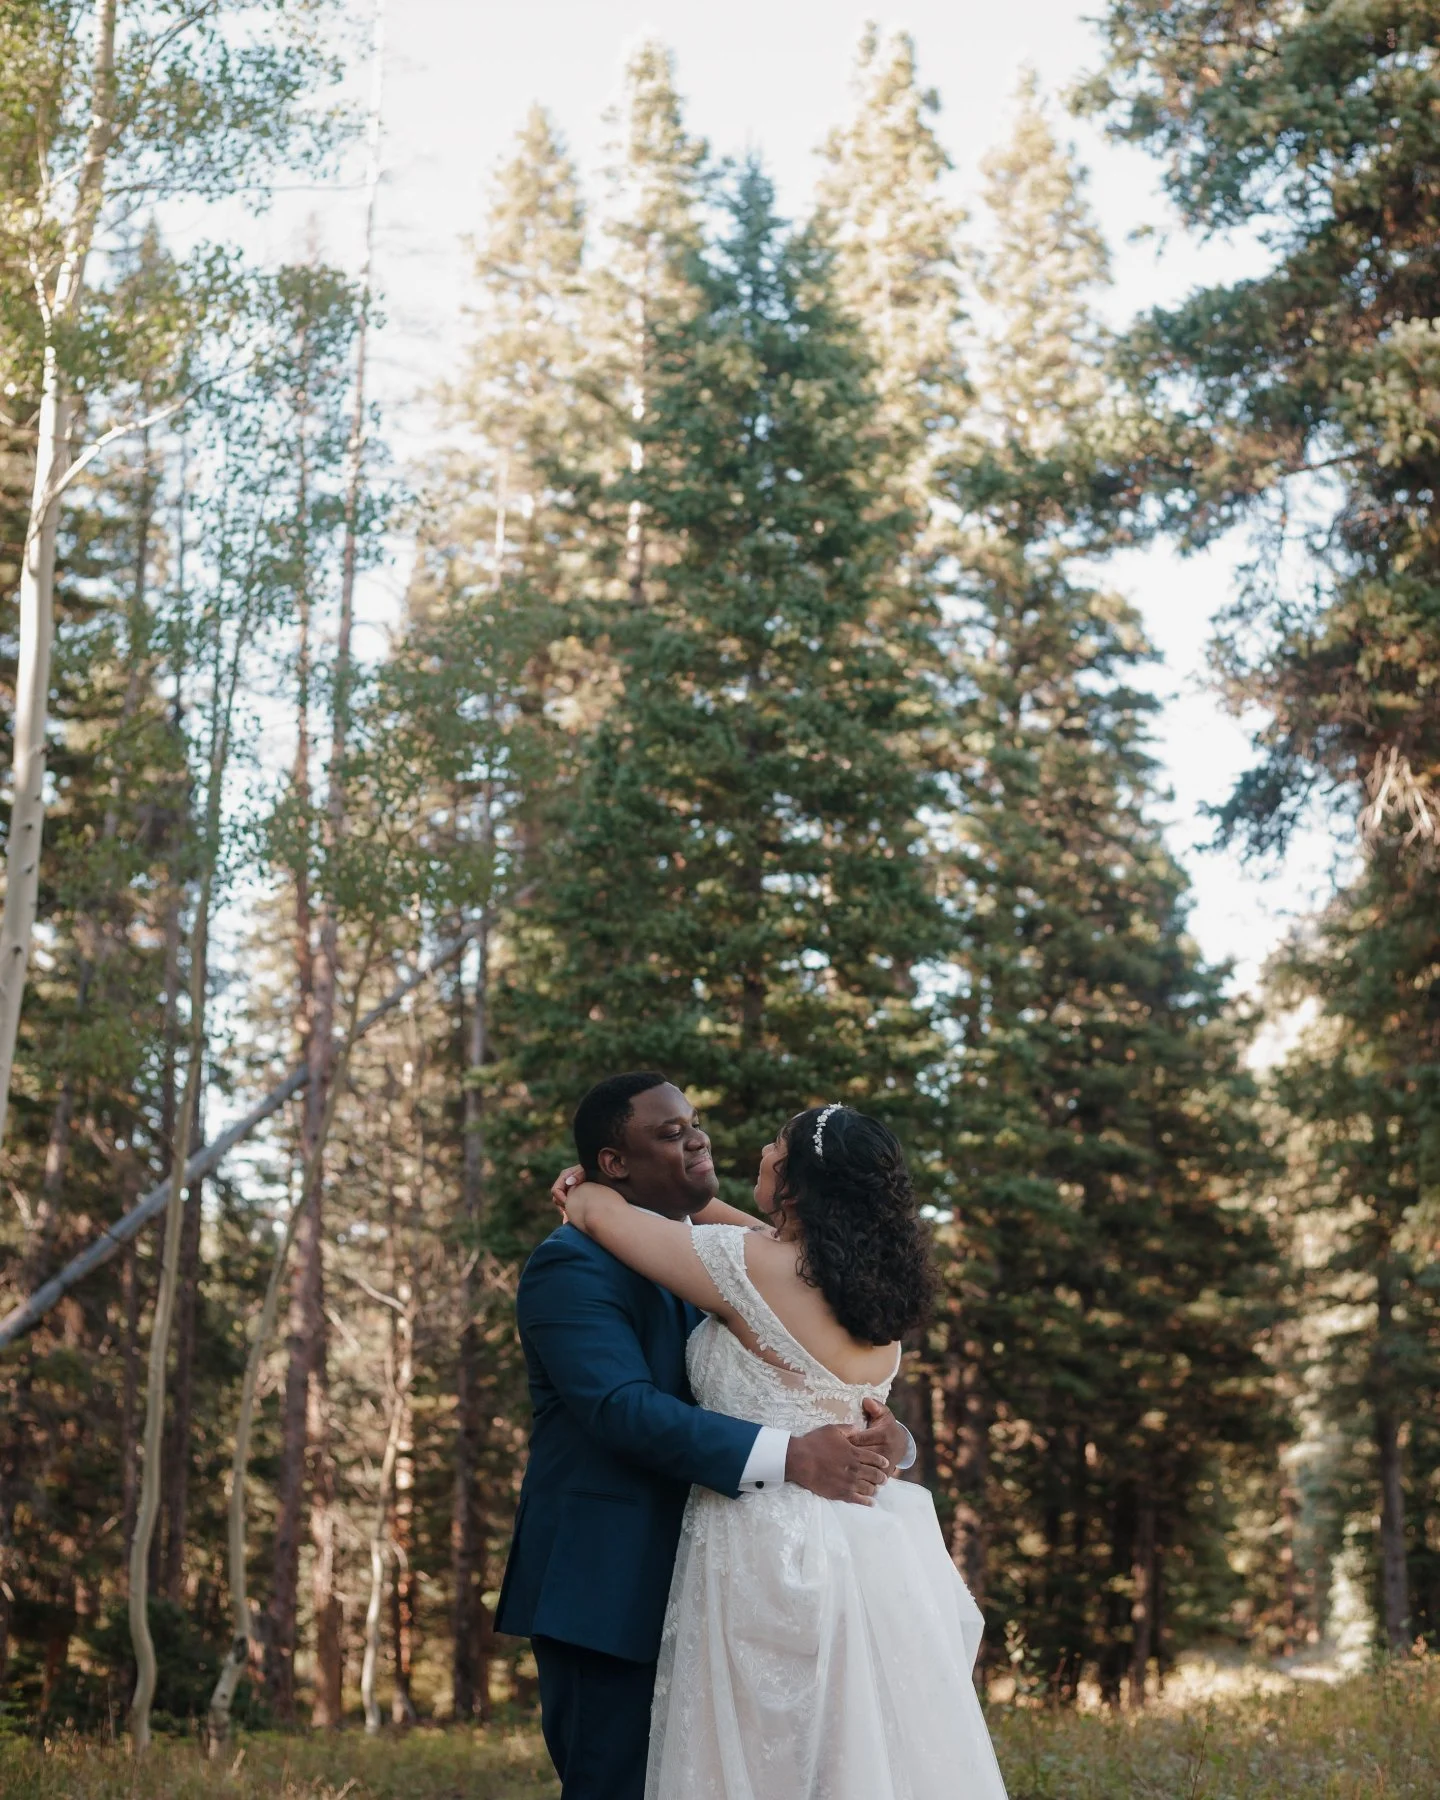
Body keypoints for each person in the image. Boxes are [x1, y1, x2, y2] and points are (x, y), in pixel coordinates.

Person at [557, 1099, 1010, 1800]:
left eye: (776, 1145)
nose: (763, 1152)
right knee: (852, 1756)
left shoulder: (750, 1267)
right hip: (868, 1543)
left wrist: (583, 1188)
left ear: (793, 1184)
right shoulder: (867, 1288)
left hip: (769, 1543)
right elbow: (737, 1228)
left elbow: (604, 1219)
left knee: (763, 1759)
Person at [495, 1072, 915, 1800]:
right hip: (615, 1581)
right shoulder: (573, 1263)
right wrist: (795, 1455)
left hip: (744, 1575)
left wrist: (882, 1433)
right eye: (668, 1131)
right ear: (613, 1161)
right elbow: (621, 1408)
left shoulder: (740, 1258)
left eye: (695, 1121)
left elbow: (801, 1369)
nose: (696, 1136)